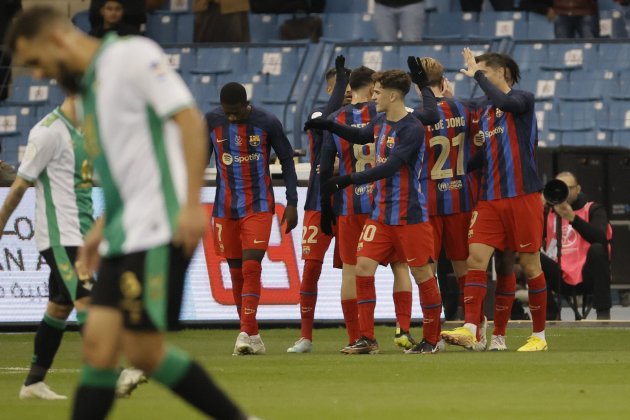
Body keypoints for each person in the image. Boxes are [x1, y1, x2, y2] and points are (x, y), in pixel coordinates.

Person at [6, 7, 250, 419]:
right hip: (124, 230)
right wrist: (100, 230)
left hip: (158, 225)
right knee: (99, 348)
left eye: (36, 62)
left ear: (56, 40)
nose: (40, 74)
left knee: (144, 351)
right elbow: (124, 172)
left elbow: (190, 121)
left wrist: (191, 203)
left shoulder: (131, 55)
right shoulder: (88, 96)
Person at [308, 69, 443, 355]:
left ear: (393, 95)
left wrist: (346, 179)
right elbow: (359, 136)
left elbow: (390, 167)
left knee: (422, 274)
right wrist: (329, 127)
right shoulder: (381, 121)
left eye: (379, 92)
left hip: (410, 216)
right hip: (380, 215)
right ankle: (367, 339)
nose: (374, 96)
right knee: (363, 268)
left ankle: (431, 339)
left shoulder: (411, 128)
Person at [440, 50, 549, 352]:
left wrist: (475, 74)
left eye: (485, 73)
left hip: (523, 196)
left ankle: (538, 336)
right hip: (489, 199)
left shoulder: (523, 100)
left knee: (529, 265)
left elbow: (504, 102)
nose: (480, 79)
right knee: (476, 258)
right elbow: (485, 155)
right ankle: (472, 328)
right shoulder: (485, 113)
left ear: (503, 73)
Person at [206, 82, 299, 356]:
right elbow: (200, 159)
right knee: (235, 273)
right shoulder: (211, 121)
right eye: (227, 112)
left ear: (246, 104)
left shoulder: (267, 122)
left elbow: (287, 160)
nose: (231, 117)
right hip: (225, 208)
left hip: (258, 206)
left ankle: (244, 331)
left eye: (235, 112)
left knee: (250, 268)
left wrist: (292, 201)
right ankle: (252, 334)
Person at [409, 56, 489, 350]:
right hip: (461, 196)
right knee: (465, 269)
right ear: (444, 82)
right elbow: (482, 146)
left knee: (427, 273)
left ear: (419, 89)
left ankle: (432, 337)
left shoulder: (415, 116)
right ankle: (476, 331)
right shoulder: (466, 109)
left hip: (427, 201)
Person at [286, 56, 349, 354]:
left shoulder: (363, 119)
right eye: (340, 86)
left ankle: (360, 335)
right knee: (312, 268)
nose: (346, 91)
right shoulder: (318, 114)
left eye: (350, 86)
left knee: (356, 269)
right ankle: (306, 336)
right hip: (317, 203)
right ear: (328, 89)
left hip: (351, 203)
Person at [542, 171, 612, 320]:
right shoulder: (547, 213)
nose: (563, 192)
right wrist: (538, 208)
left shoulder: (593, 209)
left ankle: (603, 315)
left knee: (598, 249)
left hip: (587, 275)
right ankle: (550, 313)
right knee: (533, 257)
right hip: (559, 275)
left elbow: (600, 238)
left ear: (578, 189)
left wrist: (572, 218)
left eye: (567, 187)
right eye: (559, 187)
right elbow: (527, 238)